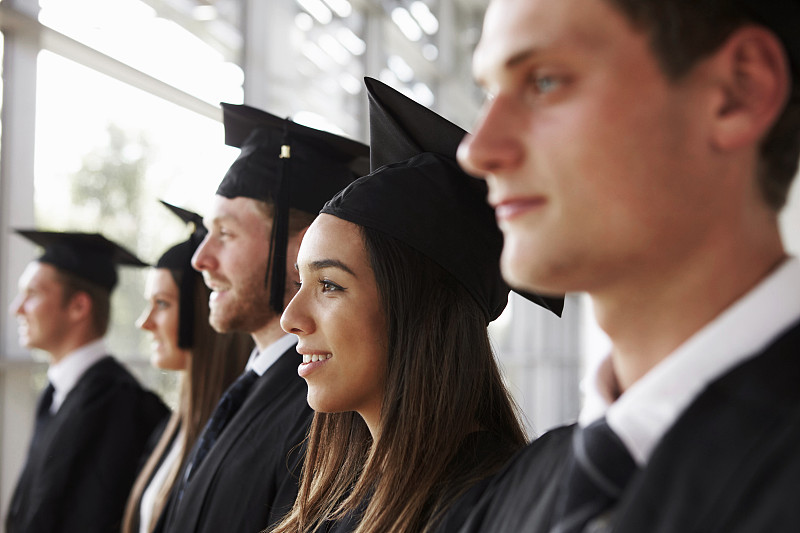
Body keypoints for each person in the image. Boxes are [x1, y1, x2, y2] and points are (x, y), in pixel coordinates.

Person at [453, 0, 800, 531]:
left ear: (737, 93)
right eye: (488, 92)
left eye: (544, 81)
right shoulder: (514, 494)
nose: (477, 150)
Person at [270, 77, 563, 533]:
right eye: (299, 283)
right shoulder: (342, 496)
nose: (290, 319)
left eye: (329, 285)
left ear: (421, 307)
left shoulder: (495, 510)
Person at [155, 103, 370, 533]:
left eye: (226, 233)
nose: (200, 259)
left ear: (302, 248)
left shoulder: (324, 411)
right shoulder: (248, 386)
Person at [6, 230, 169, 533]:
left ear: (79, 307)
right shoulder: (58, 393)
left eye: (32, 294)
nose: (16, 308)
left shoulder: (118, 404)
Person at [122, 201, 253, 533]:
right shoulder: (171, 428)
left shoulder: (235, 437)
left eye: (162, 304)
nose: (144, 322)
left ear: (201, 312)